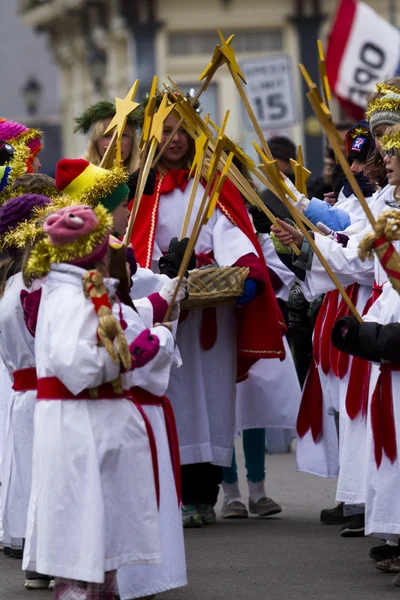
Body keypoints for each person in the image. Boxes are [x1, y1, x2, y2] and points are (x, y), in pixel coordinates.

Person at [128, 107, 286, 528]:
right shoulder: (141, 186)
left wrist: (244, 269)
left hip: (212, 307)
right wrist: (160, 276)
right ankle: (180, 493)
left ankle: (206, 494)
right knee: (173, 396)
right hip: (165, 310)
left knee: (214, 400)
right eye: (165, 130)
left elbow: (230, 231)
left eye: (182, 130)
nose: (174, 138)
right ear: (152, 136)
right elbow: (133, 244)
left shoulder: (212, 183)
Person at [22, 203, 177, 599]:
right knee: (83, 538)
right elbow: (78, 368)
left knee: (102, 536)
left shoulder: (76, 289)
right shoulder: (66, 297)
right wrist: (132, 351)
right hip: (80, 429)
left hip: (95, 428)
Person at [271, 80, 400, 548]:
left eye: (390, 141)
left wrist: (311, 228)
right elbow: (356, 243)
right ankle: (379, 517)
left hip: (382, 310)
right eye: (382, 140)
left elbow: (357, 248)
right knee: (369, 417)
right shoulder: (385, 200)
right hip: (378, 314)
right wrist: (308, 241)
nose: (384, 153)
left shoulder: (385, 199)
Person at [74, 100, 140, 172]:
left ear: (133, 140)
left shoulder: (146, 177)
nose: (115, 143)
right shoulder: (79, 175)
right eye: (107, 136)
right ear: (96, 142)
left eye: (122, 135)